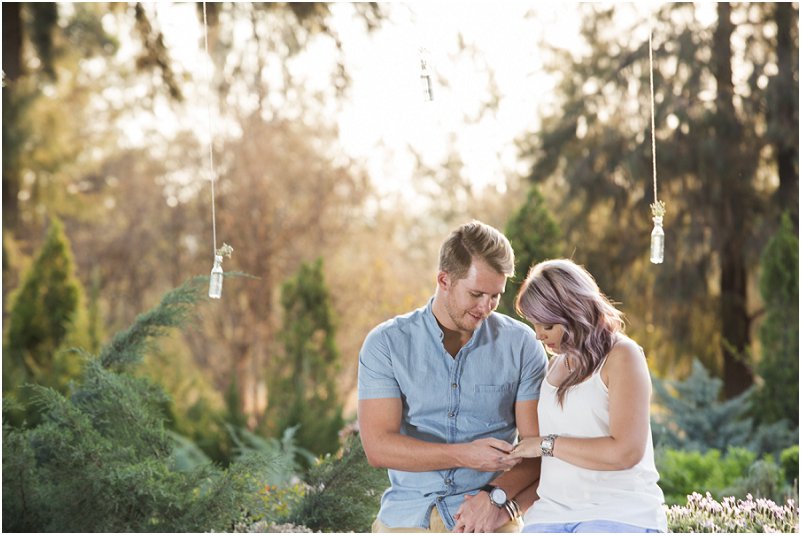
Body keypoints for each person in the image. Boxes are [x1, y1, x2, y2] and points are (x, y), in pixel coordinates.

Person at [358, 220, 549, 533]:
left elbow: (536, 450)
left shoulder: (522, 345)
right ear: (444, 280)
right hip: (409, 515)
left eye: (495, 295)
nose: (486, 307)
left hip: (490, 514)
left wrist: (496, 497)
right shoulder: (386, 344)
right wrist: (465, 455)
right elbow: (378, 447)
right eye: (476, 294)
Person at [509, 258, 668, 533]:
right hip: (549, 516)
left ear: (574, 312)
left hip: (619, 513)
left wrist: (546, 444)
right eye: (534, 324)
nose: (538, 336)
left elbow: (626, 452)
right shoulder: (554, 366)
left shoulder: (622, 356)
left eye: (547, 326)